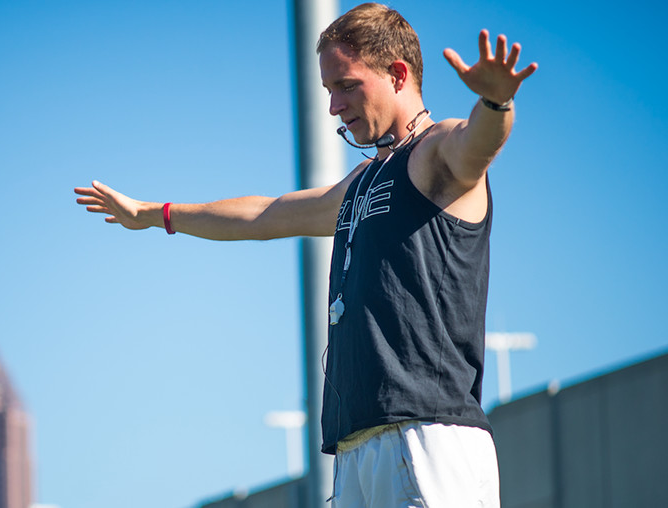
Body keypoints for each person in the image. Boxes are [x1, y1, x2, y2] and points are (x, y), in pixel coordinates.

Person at [76, 3, 536, 507]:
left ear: (397, 74)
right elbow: (264, 215)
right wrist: (156, 213)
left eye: (346, 85)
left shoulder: (436, 151)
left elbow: (478, 145)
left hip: (429, 436)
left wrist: (495, 103)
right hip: (359, 444)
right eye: (328, 91)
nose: (334, 106)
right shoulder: (362, 183)